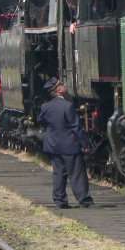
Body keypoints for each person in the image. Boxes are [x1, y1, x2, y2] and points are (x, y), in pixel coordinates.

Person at [38, 77, 93, 209]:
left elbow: (41, 121)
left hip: (53, 146)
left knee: (58, 173)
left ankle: (60, 200)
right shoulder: (68, 106)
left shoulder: (45, 107)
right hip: (70, 146)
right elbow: (76, 128)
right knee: (77, 173)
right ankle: (84, 199)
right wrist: (85, 144)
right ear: (60, 89)